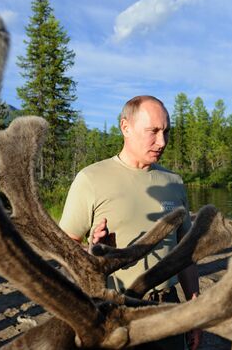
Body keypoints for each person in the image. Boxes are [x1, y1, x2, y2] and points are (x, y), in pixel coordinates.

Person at [59, 95, 201, 349]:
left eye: (166, 131)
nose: (162, 141)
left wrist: (194, 305)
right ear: (125, 127)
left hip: (167, 310)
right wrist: (95, 253)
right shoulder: (91, 179)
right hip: (115, 312)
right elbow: (63, 245)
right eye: (153, 131)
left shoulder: (174, 182)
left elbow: (185, 251)